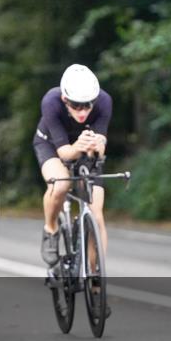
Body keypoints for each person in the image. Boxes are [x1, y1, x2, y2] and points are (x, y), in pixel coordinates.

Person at [33, 64, 112, 315]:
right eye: (76, 105)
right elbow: (65, 152)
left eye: (87, 105)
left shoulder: (104, 102)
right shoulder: (51, 102)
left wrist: (98, 145)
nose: (82, 111)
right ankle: (51, 228)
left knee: (96, 214)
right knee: (61, 183)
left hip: (85, 148)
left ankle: (96, 277)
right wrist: (79, 146)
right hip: (52, 146)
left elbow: (100, 148)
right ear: (65, 99)